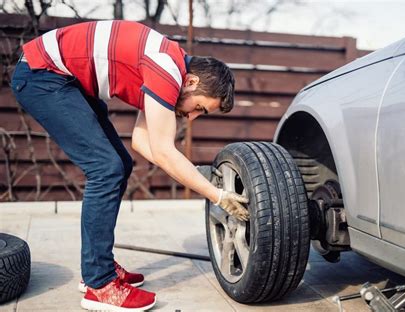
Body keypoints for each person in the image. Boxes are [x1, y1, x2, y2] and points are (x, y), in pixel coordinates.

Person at [11, 20, 250, 312]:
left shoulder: (165, 65)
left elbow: (141, 142)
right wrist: (217, 195)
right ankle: (100, 284)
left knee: (119, 163)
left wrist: (194, 177)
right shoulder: (167, 69)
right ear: (192, 83)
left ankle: (97, 265)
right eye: (199, 108)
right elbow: (163, 151)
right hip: (43, 75)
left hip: (63, 78)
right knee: (105, 168)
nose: (192, 118)